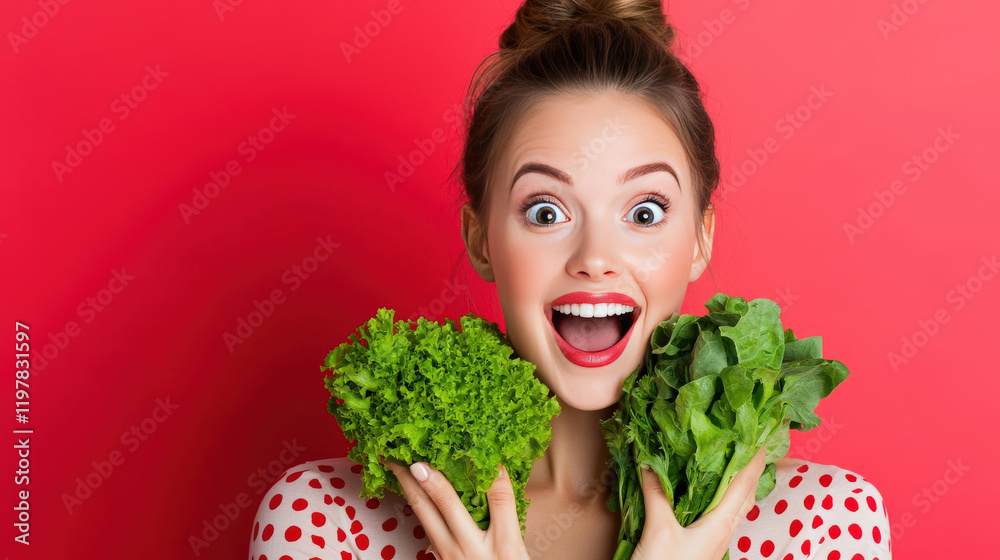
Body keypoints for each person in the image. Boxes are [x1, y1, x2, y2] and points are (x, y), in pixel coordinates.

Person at [249, 1, 891, 559]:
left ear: (700, 240)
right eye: (546, 211)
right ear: (480, 239)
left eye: (644, 213)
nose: (594, 256)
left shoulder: (819, 527)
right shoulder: (328, 524)